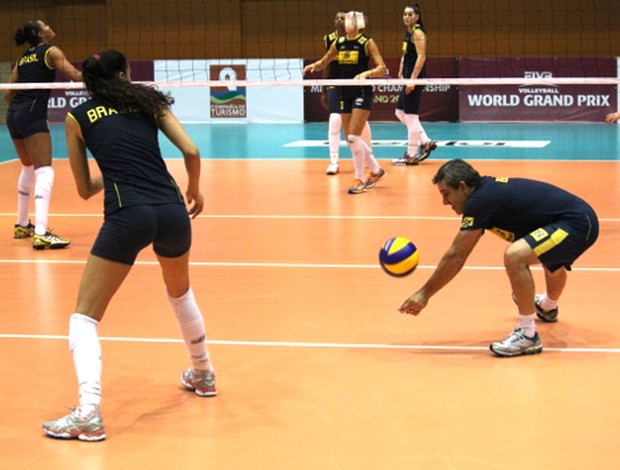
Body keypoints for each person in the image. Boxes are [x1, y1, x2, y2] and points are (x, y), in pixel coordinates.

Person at [42, 49, 216, 442]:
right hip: (171, 209)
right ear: (124, 73)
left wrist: (119, 173)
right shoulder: (148, 101)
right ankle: (203, 373)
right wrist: (194, 189)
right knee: (180, 293)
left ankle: (88, 412)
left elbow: (85, 189)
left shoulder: (77, 117)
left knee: (83, 317)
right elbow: (191, 150)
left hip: (128, 212)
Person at [398, 159, 599, 358]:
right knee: (544, 254)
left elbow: (457, 255)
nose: (445, 202)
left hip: (576, 224)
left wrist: (424, 293)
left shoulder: (480, 201)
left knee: (515, 256)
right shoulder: (486, 192)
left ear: (462, 187)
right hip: (576, 218)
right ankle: (547, 307)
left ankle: (527, 334)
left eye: (446, 194)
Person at [5, 20, 82, 249]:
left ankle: (22, 224)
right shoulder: (51, 51)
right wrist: (103, 77)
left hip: (14, 114)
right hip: (31, 114)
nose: (50, 27)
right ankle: (40, 232)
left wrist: (23, 108)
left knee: (28, 168)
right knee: (44, 170)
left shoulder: (22, 58)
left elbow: (9, 92)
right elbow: (76, 76)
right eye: (45, 25)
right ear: (40, 33)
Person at [304, 11, 387, 194]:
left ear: (357, 24)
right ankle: (376, 170)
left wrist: (366, 74)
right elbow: (325, 61)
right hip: (344, 92)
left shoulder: (366, 42)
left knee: (353, 137)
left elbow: (382, 68)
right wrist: (314, 66)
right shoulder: (339, 42)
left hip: (362, 92)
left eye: (350, 20)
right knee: (352, 139)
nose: (346, 22)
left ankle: (359, 179)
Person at [322, 10, 376, 176]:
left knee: (360, 126)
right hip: (335, 83)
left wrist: (366, 75)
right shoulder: (330, 39)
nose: (339, 21)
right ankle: (334, 161)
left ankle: (370, 158)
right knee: (334, 119)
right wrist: (324, 88)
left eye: (343, 18)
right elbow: (326, 63)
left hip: (355, 85)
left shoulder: (362, 42)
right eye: (337, 18)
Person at [392, 4, 437, 166]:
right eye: (404, 14)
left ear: (417, 16)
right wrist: (400, 70)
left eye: (410, 14)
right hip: (407, 78)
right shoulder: (408, 32)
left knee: (411, 116)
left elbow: (421, 56)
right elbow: (406, 54)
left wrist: (412, 79)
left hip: (415, 79)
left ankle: (411, 154)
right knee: (399, 112)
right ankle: (425, 141)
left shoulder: (418, 33)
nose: (407, 17)